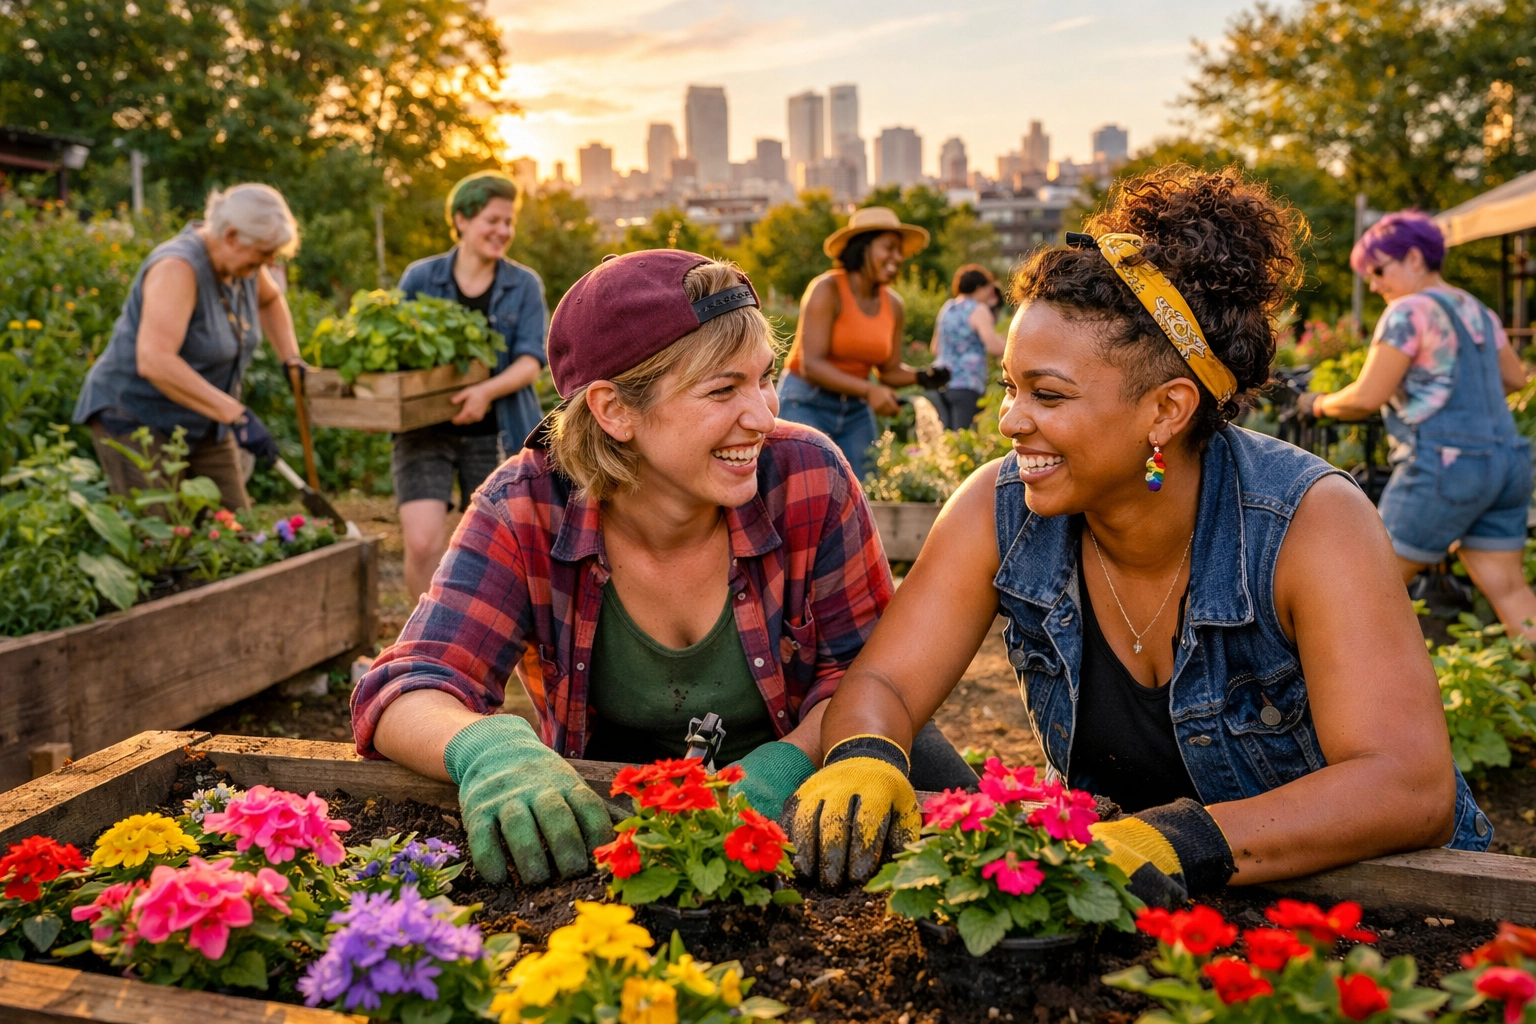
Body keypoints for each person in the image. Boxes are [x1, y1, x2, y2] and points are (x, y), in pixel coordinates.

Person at [780, 167, 1492, 897]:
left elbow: (1407, 787)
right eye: (1010, 388)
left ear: (1166, 410)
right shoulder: (1001, 505)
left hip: (1366, 906)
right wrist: (866, 753)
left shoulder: (1309, 520)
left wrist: (1171, 840)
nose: (1011, 421)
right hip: (1142, 896)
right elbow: (887, 681)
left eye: (1048, 394)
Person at [351, 251, 977, 888]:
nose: (762, 416)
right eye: (722, 389)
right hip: (629, 798)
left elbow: (867, 671)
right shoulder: (526, 506)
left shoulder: (806, 475)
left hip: (815, 764)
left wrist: (789, 761)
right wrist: (488, 747)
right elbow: (408, 684)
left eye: (764, 379)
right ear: (613, 410)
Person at [1298, 211, 1536, 640]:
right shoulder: (1477, 309)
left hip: (1445, 467)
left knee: (1364, 584)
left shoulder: (1409, 312)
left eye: (1378, 271)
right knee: (1514, 594)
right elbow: (1516, 378)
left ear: (1412, 257)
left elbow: (1365, 398)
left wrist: (1316, 404)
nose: (1374, 285)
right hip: (1508, 463)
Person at [74, 183, 302, 509]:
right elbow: (154, 361)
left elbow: (270, 301)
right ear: (233, 236)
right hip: (136, 417)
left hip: (201, 417)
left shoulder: (244, 265)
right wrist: (235, 415)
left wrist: (291, 359)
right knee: (161, 537)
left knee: (234, 529)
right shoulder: (177, 268)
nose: (268, 263)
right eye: (264, 253)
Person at [393, 171, 549, 602]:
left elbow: (530, 361)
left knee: (493, 551)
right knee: (424, 543)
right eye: (492, 220)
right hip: (425, 431)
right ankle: (422, 649)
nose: (502, 231)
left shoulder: (523, 285)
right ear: (461, 219)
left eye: (508, 222)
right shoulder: (420, 279)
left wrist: (485, 392)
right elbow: (395, 355)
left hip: (495, 434)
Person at [777, 206, 950, 477]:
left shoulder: (894, 305)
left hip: (855, 407)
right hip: (806, 401)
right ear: (863, 247)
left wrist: (922, 376)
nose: (897, 257)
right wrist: (870, 391)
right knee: (803, 485)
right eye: (889, 248)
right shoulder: (827, 290)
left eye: (899, 251)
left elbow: (888, 371)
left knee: (866, 487)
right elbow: (812, 364)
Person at [929, 264, 1006, 429]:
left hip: (940, 381)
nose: (988, 294)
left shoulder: (948, 307)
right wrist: (1013, 343)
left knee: (946, 439)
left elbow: (935, 348)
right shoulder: (978, 310)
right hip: (966, 382)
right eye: (987, 289)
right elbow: (994, 346)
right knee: (964, 438)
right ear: (979, 288)